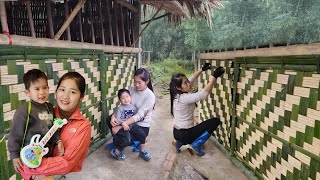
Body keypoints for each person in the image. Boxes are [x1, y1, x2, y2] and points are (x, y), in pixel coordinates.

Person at [20, 72, 92, 180]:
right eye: (62, 89)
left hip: (42, 170)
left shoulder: (83, 126)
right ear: (56, 91)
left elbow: (66, 162)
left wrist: (32, 164)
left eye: (72, 92)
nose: (65, 96)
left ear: (81, 96)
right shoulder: (45, 114)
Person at [8, 69, 64, 174]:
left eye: (45, 88)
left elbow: (53, 128)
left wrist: (58, 141)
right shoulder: (23, 111)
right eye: (37, 89)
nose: (42, 92)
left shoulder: (50, 108)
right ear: (27, 92)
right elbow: (15, 134)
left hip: (46, 157)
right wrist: (14, 155)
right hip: (29, 158)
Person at [169, 63, 224, 156]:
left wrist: (202, 69)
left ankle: (179, 142)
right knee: (215, 121)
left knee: (195, 127)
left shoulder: (176, 94)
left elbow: (191, 79)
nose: (188, 84)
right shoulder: (184, 98)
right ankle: (195, 145)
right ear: (178, 87)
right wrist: (214, 77)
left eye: (187, 81)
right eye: (185, 83)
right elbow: (203, 94)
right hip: (185, 134)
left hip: (176, 133)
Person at [110, 68, 156, 161]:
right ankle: (117, 141)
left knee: (128, 138)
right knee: (109, 121)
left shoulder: (150, 96)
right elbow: (122, 105)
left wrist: (121, 126)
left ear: (146, 81)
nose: (136, 85)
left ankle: (138, 151)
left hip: (140, 125)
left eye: (139, 82)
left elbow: (139, 116)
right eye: (135, 82)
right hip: (128, 121)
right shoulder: (131, 90)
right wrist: (113, 116)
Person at [110, 88, 137, 160]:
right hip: (122, 127)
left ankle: (117, 146)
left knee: (131, 138)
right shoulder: (120, 108)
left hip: (130, 126)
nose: (126, 99)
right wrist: (123, 124)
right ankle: (117, 151)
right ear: (120, 100)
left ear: (130, 97)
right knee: (126, 140)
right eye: (122, 98)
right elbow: (118, 119)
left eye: (127, 96)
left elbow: (135, 117)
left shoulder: (133, 107)